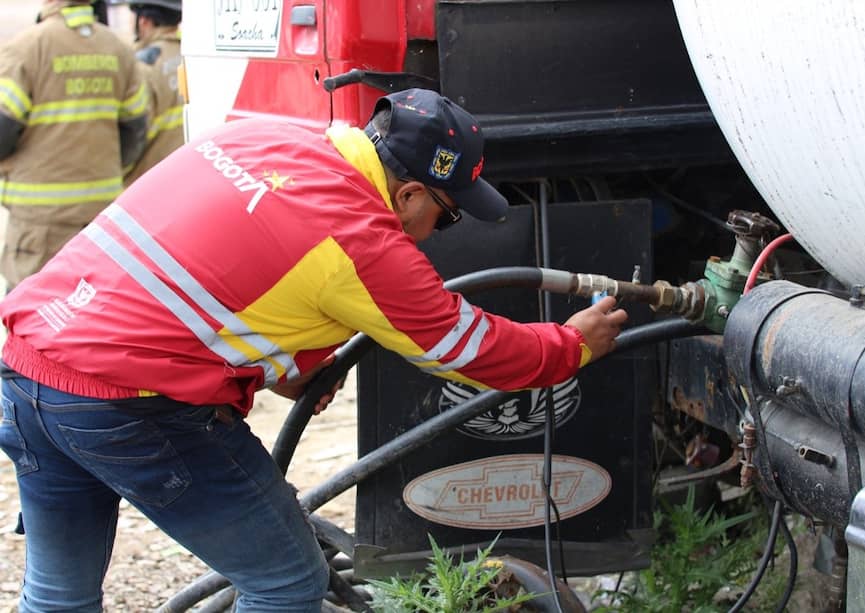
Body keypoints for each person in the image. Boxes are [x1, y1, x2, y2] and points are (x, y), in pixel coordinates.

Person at [0, 88, 628, 612]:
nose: (438, 231)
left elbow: (222, 270)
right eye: (447, 214)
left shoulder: (264, 138)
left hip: (26, 364)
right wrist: (572, 346)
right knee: (287, 583)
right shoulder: (362, 236)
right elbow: (464, 347)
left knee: (59, 594)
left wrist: (282, 370)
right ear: (410, 194)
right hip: (124, 406)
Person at [0, 0, 148, 291]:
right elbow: (135, 131)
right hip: (100, 218)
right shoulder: (118, 50)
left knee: (32, 315)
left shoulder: (28, 47)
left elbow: (3, 131)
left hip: (41, 222)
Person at [122, 0, 184, 186]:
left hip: (147, 180)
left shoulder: (142, 66)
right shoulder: (189, 54)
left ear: (144, 21)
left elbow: (133, 133)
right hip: (184, 172)